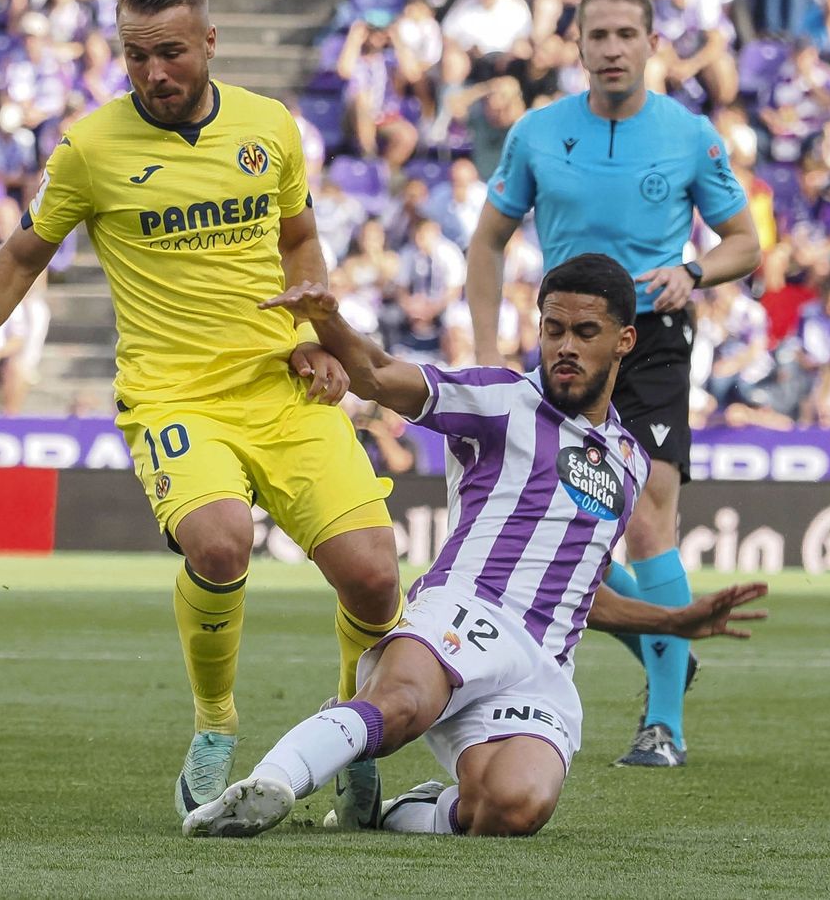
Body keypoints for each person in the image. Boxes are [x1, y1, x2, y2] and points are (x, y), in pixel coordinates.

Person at [0, 0, 403, 826]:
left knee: (376, 580)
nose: (154, 73)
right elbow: (17, 259)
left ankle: (352, 739)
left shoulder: (269, 129)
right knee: (222, 543)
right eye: (135, 56)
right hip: (172, 397)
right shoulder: (89, 148)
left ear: (209, 44)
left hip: (279, 384)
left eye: (170, 53)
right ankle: (215, 724)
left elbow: (300, 240)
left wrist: (313, 335)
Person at [182, 258, 769, 839]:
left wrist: (674, 619)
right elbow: (379, 373)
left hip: (541, 664)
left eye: (585, 333)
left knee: (512, 808)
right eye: (553, 329)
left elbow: (578, 594)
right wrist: (328, 323)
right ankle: (268, 787)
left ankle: (397, 812)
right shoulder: (500, 400)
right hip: (465, 609)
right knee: (402, 704)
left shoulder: (631, 462)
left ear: (624, 340)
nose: (565, 346)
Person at [466, 0, 763, 768]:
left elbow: (746, 242)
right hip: (565, 336)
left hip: (652, 335)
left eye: (627, 33)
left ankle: (662, 725)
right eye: (598, 34)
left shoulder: (689, 134)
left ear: (650, 42)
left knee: (646, 512)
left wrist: (694, 272)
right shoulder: (536, 133)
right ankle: (665, 645)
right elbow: (487, 241)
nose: (612, 48)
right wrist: (489, 346)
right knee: (570, 526)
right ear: (579, 44)